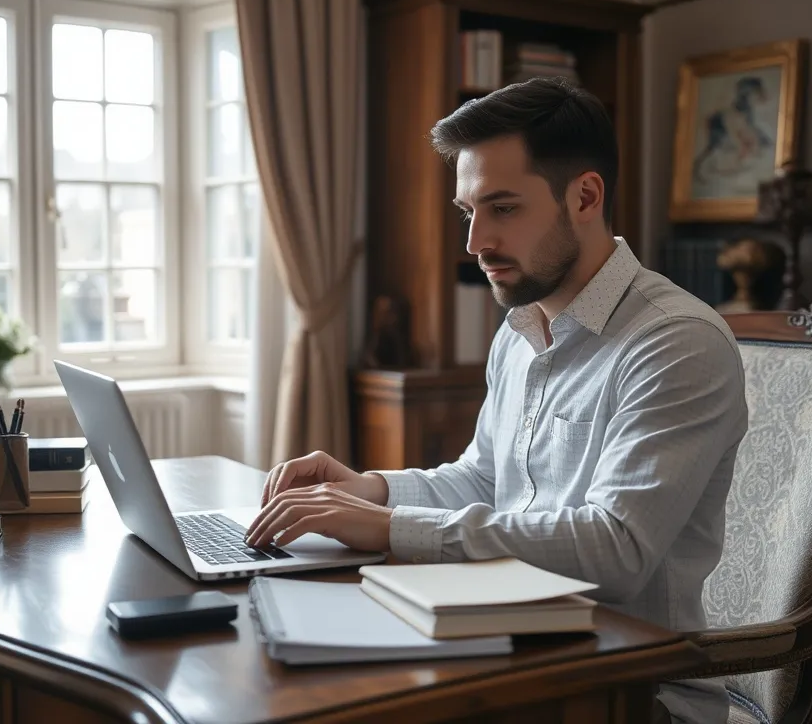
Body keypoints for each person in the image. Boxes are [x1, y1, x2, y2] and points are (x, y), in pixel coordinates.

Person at [245, 77, 748, 724]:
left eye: (503, 208)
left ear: (586, 196)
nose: (475, 242)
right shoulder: (521, 328)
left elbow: (617, 548)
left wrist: (391, 529)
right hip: (515, 651)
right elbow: (485, 479)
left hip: (634, 692)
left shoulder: (676, 343)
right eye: (467, 212)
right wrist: (372, 491)